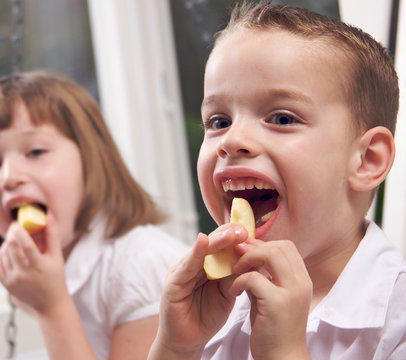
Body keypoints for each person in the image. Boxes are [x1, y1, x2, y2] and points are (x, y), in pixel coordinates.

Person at [148, 1, 406, 359]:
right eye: (218, 121)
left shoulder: (397, 321)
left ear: (367, 160)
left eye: (282, 118)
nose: (232, 140)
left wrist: (284, 351)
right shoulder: (218, 306)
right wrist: (178, 347)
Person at [0, 69, 188, 360]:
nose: (9, 177)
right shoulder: (61, 265)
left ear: (91, 162)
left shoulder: (142, 269)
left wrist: (51, 307)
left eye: (35, 152)